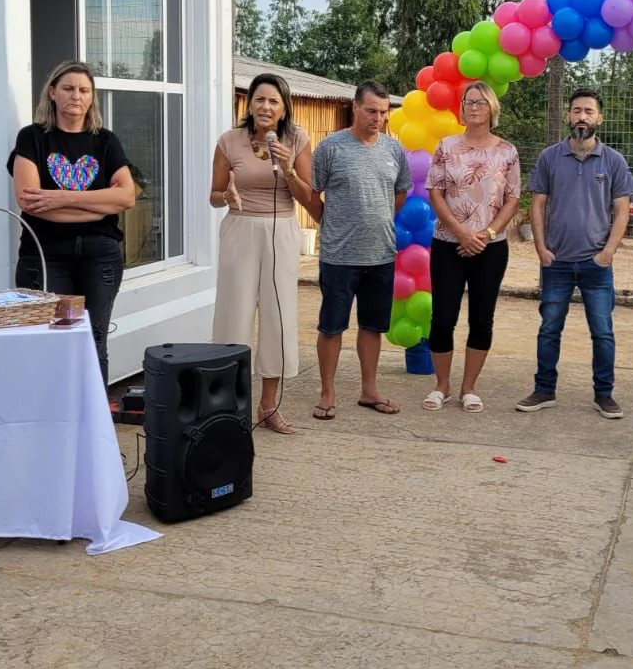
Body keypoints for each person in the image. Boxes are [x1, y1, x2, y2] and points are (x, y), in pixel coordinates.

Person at [7, 61, 136, 390]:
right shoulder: (33, 138)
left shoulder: (105, 142)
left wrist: (60, 198)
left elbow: (127, 197)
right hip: (46, 254)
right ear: (52, 93)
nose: (75, 96)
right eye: (67, 88)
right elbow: (32, 203)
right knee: (48, 339)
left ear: (92, 98)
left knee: (93, 341)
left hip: (100, 256)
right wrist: (99, 205)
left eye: (83, 90)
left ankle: (93, 431)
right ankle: (49, 424)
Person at [519, 89, 633, 420]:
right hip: (556, 262)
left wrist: (608, 252)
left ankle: (604, 394)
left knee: (602, 331)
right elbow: (538, 205)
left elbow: (622, 211)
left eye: (588, 111)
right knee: (549, 328)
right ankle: (544, 390)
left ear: (600, 118)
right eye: (576, 111)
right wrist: (541, 249)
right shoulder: (549, 158)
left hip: (596, 264)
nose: (581, 117)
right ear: (568, 116)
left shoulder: (614, 161)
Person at [209, 73, 316, 434]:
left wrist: (286, 168)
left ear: (284, 107)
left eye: (273, 101)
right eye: (259, 100)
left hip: (281, 229)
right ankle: (226, 406)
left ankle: (268, 406)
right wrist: (228, 197)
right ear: (249, 104)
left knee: (277, 316)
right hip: (239, 228)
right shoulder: (229, 141)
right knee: (233, 315)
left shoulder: (297, 139)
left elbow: (308, 200)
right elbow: (214, 195)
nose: (265, 107)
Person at [308, 81, 409, 420]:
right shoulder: (330, 148)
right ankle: (327, 391)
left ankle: (369, 390)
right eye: (371, 111)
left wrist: (376, 221)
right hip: (339, 257)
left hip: (381, 254)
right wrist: (333, 225)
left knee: (372, 326)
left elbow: (399, 194)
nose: (378, 118)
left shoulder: (394, 150)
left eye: (383, 112)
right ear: (355, 107)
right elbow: (313, 195)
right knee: (332, 327)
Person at [423, 81, 520, 414]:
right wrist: (461, 233)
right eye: (468, 101)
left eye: (481, 102)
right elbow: (435, 191)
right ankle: (442, 386)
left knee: (482, 319)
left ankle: (469, 388)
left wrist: (487, 234)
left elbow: (513, 199)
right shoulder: (447, 146)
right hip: (449, 243)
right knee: (443, 318)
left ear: (492, 108)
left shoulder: (507, 150)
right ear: (461, 107)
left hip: (490, 248)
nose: (474, 107)